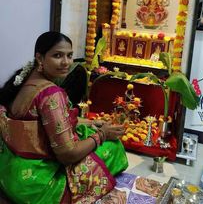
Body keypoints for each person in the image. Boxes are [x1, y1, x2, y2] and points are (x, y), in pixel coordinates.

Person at [0, 31, 128, 203]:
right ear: (40, 58)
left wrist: (91, 122)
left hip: (10, 174)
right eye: (57, 55)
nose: (66, 62)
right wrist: (102, 134)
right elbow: (67, 154)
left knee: (84, 129)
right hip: (39, 185)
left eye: (69, 55)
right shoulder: (51, 94)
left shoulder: (24, 80)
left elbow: (41, 124)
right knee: (113, 146)